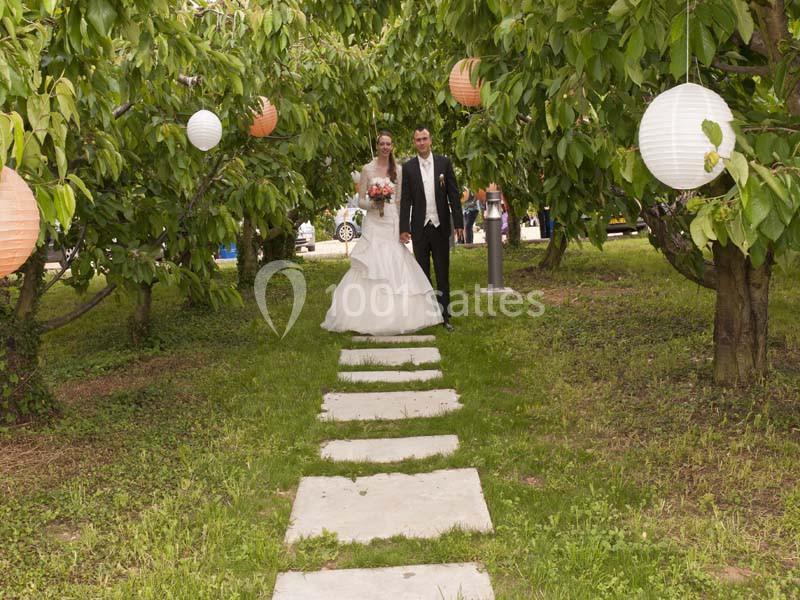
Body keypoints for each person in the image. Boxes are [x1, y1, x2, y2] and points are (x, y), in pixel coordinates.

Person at [321, 131, 443, 335]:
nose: (385, 147)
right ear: (377, 146)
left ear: (392, 146)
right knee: (372, 261)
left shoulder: (399, 170)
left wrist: (402, 226)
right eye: (382, 143)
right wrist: (373, 202)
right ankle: (362, 315)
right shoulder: (367, 169)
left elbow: (401, 200)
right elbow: (359, 200)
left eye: (388, 143)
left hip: (392, 219)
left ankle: (401, 315)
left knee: (396, 259)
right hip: (373, 221)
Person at [399, 126, 464, 331]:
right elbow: (406, 200)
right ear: (414, 142)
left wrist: (459, 223)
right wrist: (403, 227)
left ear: (431, 140)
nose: (421, 143)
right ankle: (427, 315)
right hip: (419, 227)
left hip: (440, 225)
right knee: (422, 272)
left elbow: (454, 195)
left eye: (424, 139)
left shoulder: (444, 163)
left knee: (442, 272)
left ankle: (445, 317)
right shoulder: (408, 167)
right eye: (418, 139)